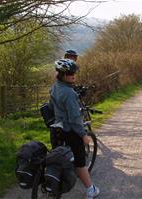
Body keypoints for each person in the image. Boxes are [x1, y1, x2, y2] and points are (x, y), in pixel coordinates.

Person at [49, 59, 100, 199]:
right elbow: (75, 119)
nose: (73, 76)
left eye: (74, 73)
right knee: (80, 162)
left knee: (59, 157)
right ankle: (91, 190)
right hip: (70, 131)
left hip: (56, 129)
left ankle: (54, 184)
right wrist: (83, 135)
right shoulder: (69, 93)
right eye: (70, 73)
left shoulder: (55, 87)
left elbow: (52, 106)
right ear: (63, 75)